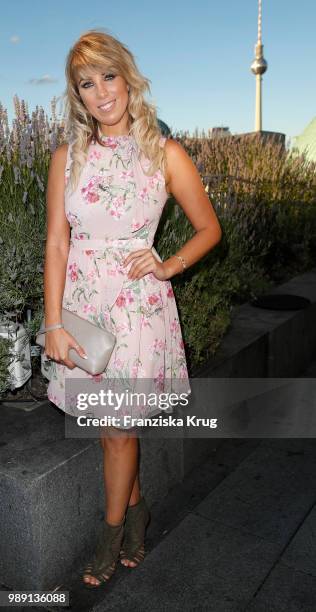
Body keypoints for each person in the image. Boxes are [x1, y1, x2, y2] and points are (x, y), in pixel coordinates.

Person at [41, 29, 222, 589]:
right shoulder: (66, 159)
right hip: (83, 310)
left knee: (117, 430)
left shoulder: (165, 154)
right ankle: (137, 514)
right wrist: (51, 323)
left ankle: (109, 537)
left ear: (128, 76)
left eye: (108, 76)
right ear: (78, 96)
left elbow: (209, 228)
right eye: (87, 84)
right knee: (107, 428)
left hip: (138, 309)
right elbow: (55, 243)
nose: (102, 93)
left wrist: (168, 266)